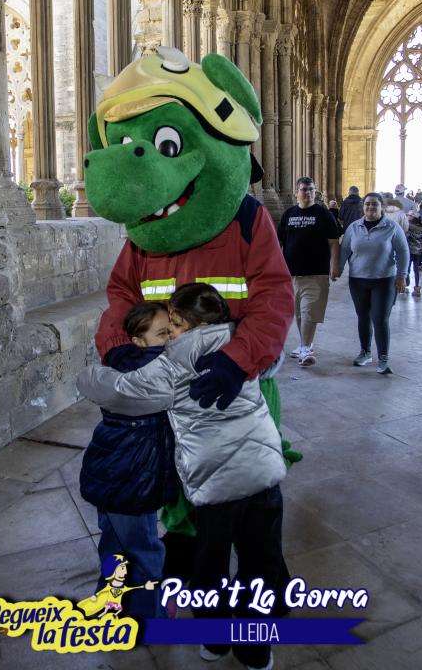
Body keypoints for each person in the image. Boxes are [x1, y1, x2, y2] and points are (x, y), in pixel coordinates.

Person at [77, 284, 288, 670]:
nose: (171, 333)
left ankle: (215, 640)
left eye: (174, 324)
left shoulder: (174, 362)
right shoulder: (243, 343)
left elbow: (120, 391)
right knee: (262, 564)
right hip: (263, 477)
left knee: (209, 568)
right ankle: (256, 650)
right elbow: (274, 359)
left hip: (217, 487)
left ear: (195, 326)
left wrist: (97, 370)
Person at [78, 302, 175, 619]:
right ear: (138, 340)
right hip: (132, 480)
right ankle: (150, 619)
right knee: (145, 551)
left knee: (114, 547)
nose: (171, 339)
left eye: (173, 331)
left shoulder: (120, 365)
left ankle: (108, 611)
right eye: (163, 333)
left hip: (109, 474)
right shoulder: (156, 374)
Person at [340, 194, 409, 372]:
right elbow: (345, 249)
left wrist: (402, 275)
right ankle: (365, 352)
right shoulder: (354, 227)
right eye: (368, 204)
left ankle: (383, 358)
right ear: (363, 207)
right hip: (358, 280)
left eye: (375, 204)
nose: (371, 207)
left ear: (381, 207)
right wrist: (337, 269)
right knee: (363, 316)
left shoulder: (392, 227)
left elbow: (403, 251)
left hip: (384, 280)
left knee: (379, 318)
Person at [277, 177, 341, 366]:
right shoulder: (289, 214)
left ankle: (306, 348)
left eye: (311, 189)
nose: (308, 193)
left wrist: (335, 265)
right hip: (291, 273)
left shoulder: (323, 214)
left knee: (309, 312)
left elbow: (333, 242)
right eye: (304, 189)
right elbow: (279, 241)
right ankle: (305, 343)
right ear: (296, 192)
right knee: (298, 312)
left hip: (316, 272)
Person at [405, 210, 422, 297]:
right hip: (419, 250)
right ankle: (417, 288)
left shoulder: (408, 226)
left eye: (409, 215)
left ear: (413, 217)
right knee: (416, 270)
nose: (408, 216)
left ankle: (405, 284)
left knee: (407, 268)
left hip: (410, 250)